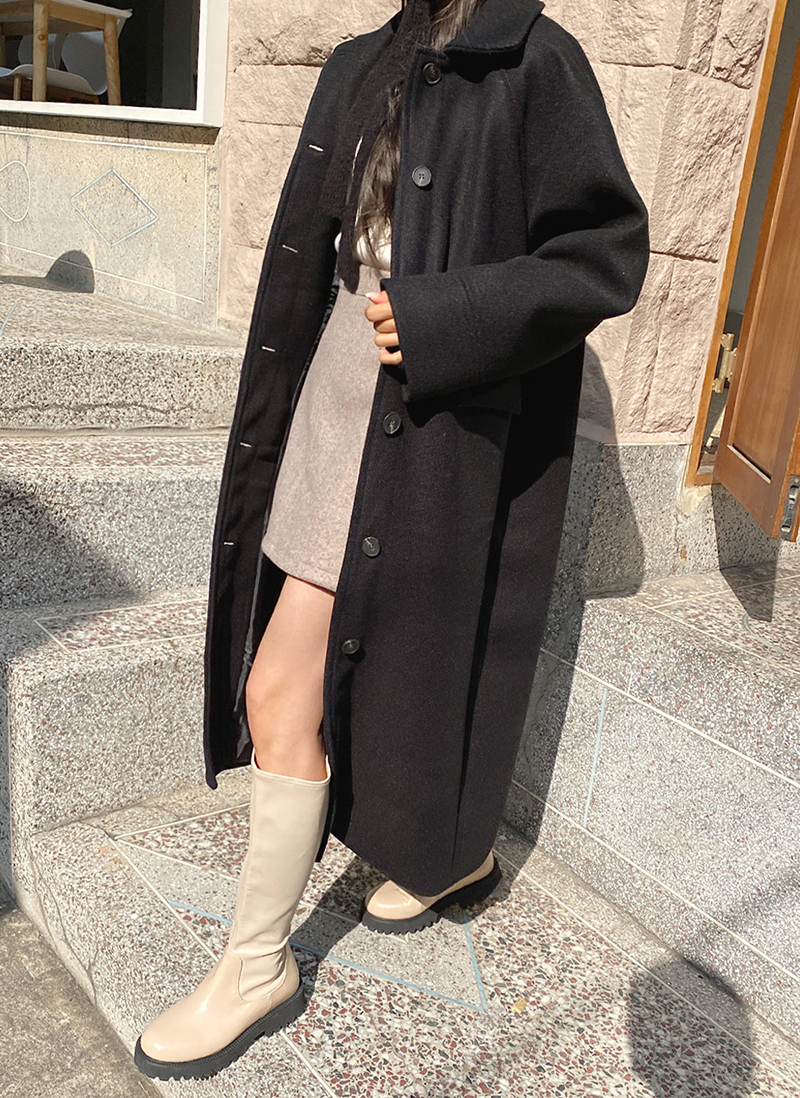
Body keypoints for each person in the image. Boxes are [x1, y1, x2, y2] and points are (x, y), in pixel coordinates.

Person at [134, 0, 650, 1080]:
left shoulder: (534, 59)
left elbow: (604, 253)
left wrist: (444, 313)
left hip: (425, 402)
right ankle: (454, 859)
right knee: (350, 666)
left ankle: (257, 965)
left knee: (292, 687)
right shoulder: (366, 57)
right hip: (334, 385)